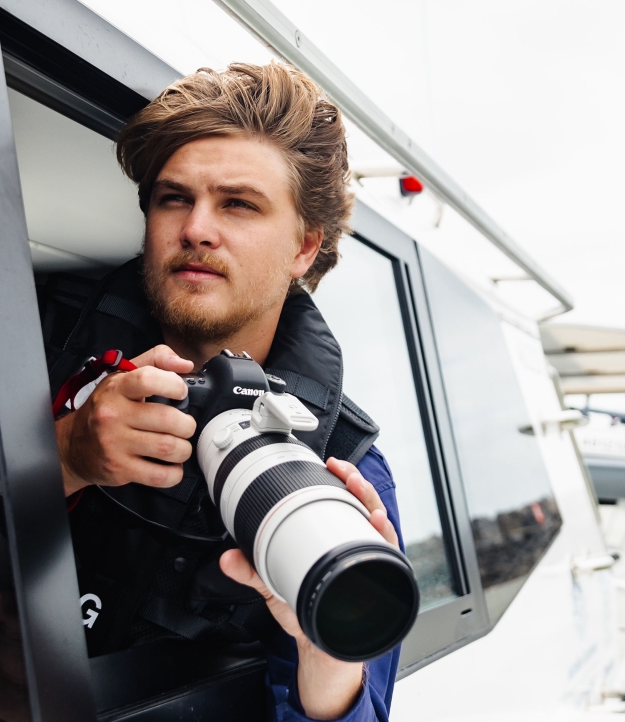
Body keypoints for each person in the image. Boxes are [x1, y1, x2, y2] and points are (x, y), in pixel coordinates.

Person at [39, 63, 404, 722]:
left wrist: (330, 653)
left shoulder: (337, 465)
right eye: (174, 198)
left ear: (304, 247)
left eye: (238, 203)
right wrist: (65, 454)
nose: (197, 228)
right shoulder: (37, 340)